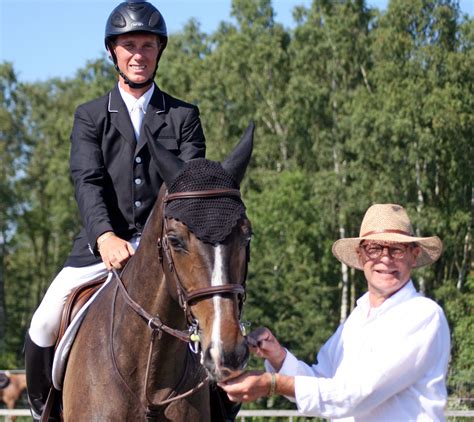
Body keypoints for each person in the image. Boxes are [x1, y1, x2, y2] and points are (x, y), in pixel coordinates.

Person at [24, 1, 206, 420]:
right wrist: (105, 236)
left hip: (168, 255)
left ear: (159, 50)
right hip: (100, 248)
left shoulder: (183, 117)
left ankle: (218, 404)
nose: (138, 54)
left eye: (147, 45)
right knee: (44, 322)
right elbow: (86, 181)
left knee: (214, 326)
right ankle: (43, 411)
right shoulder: (90, 116)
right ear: (113, 52)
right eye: (129, 45)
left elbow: (190, 186)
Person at [220, 203, 451, 421]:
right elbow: (322, 383)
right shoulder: (357, 320)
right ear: (361, 255)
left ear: (413, 254)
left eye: (397, 250)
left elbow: (358, 394)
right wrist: (278, 356)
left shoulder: (422, 315)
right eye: (374, 248)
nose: (385, 258)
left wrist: (273, 383)